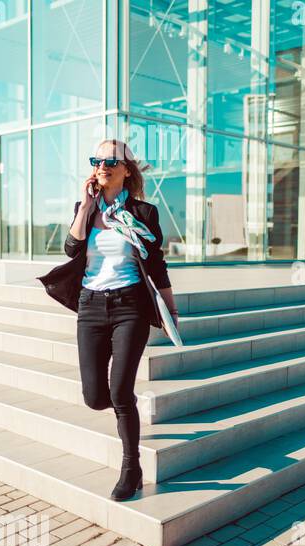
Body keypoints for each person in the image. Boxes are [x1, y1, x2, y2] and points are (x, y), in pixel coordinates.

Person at [65, 139, 178, 501]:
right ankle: (122, 416)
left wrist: (170, 309)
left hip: (130, 305)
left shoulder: (144, 214)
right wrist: (85, 207)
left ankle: (132, 469)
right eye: (97, 158)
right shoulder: (86, 209)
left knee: (120, 392)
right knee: (95, 398)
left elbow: (156, 262)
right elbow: (71, 249)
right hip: (91, 307)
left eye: (112, 160)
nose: (103, 164)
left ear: (127, 170)